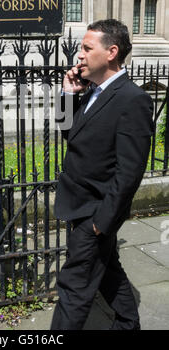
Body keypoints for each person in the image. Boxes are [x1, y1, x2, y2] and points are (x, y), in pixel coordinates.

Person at [51, 19, 153, 331]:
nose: (79, 55)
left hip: (96, 212)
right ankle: (127, 323)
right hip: (79, 205)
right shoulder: (91, 92)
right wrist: (68, 94)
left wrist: (101, 224)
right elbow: (69, 133)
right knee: (107, 270)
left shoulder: (132, 99)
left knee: (73, 288)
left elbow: (130, 171)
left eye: (86, 48)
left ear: (111, 52)